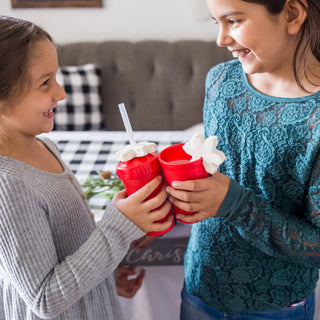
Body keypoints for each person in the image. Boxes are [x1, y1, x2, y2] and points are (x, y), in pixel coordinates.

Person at [0, 16, 173, 320]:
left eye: (55, 78)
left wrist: (105, 276)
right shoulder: (8, 184)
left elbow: (67, 252)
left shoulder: (43, 145)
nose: (60, 93)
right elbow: (44, 299)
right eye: (44, 83)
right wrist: (119, 226)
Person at [165, 0, 320, 319]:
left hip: (274, 308)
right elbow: (211, 170)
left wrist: (235, 204)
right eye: (216, 23)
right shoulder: (221, 81)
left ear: (292, 14)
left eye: (233, 21)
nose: (221, 39)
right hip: (199, 287)